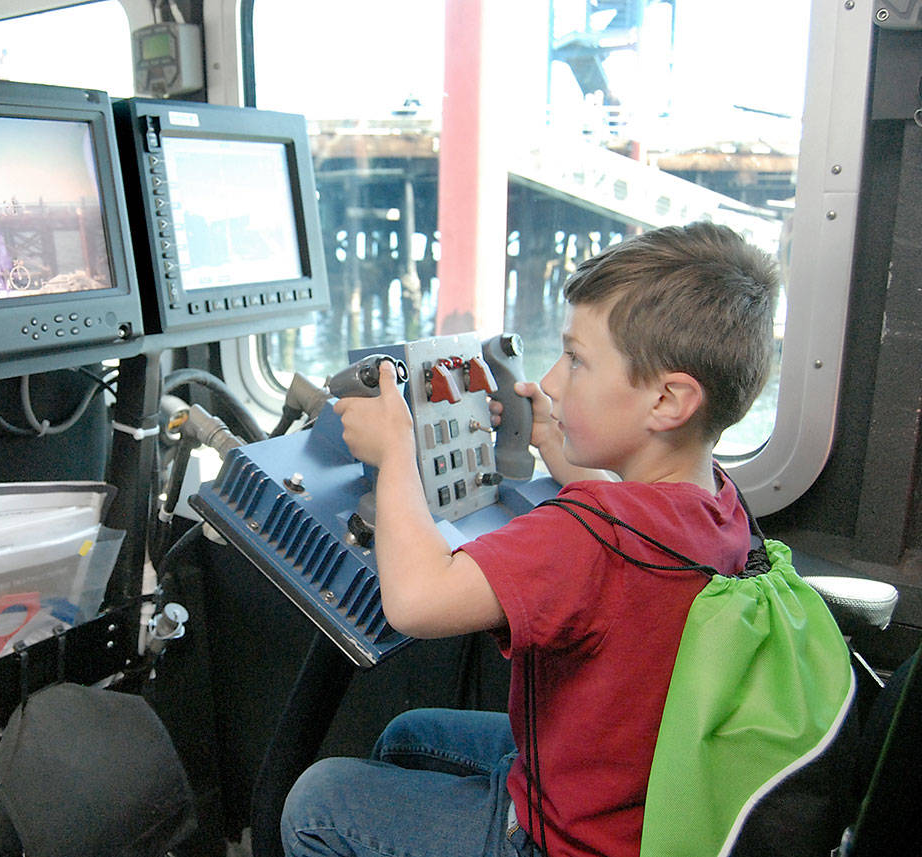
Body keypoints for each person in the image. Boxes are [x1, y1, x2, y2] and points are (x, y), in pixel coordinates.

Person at [279, 222, 780, 857]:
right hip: (636, 792)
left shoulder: (588, 539)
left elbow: (416, 600)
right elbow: (626, 521)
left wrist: (396, 452)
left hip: (568, 838)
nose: (551, 377)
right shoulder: (716, 504)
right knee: (407, 734)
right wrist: (551, 440)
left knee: (318, 801)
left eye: (576, 358)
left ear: (668, 400)